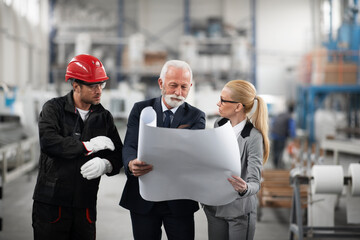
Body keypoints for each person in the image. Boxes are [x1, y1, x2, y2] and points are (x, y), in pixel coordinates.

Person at [32, 54, 123, 240]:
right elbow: (49, 142)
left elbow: (118, 154)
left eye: (102, 84)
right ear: (76, 86)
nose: (99, 90)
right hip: (52, 203)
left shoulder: (104, 117)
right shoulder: (53, 109)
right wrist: (87, 146)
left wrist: (106, 164)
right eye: (93, 85)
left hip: (85, 204)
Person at [120, 60, 206, 240]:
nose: (178, 92)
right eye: (173, 85)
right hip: (143, 196)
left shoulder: (196, 116)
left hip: (179, 200)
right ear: (161, 83)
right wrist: (130, 163)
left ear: (190, 86)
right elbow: (130, 145)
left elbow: (191, 155)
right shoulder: (141, 109)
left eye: (184, 87)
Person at [203, 80, 269, 240]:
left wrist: (245, 188)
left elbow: (255, 181)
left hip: (239, 210)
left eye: (223, 100)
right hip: (215, 207)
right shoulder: (219, 124)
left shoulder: (253, 137)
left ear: (238, 106)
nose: (218, 103)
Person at [270, 102, 296, 168]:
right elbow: (292, 128)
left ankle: (275, 165)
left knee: (275, 151)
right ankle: (279, 167)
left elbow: (273, 123)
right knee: (280, 151)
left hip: (274, 135)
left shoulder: (280, 114)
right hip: (281, 136)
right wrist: (293, 137)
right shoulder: (289, 117)